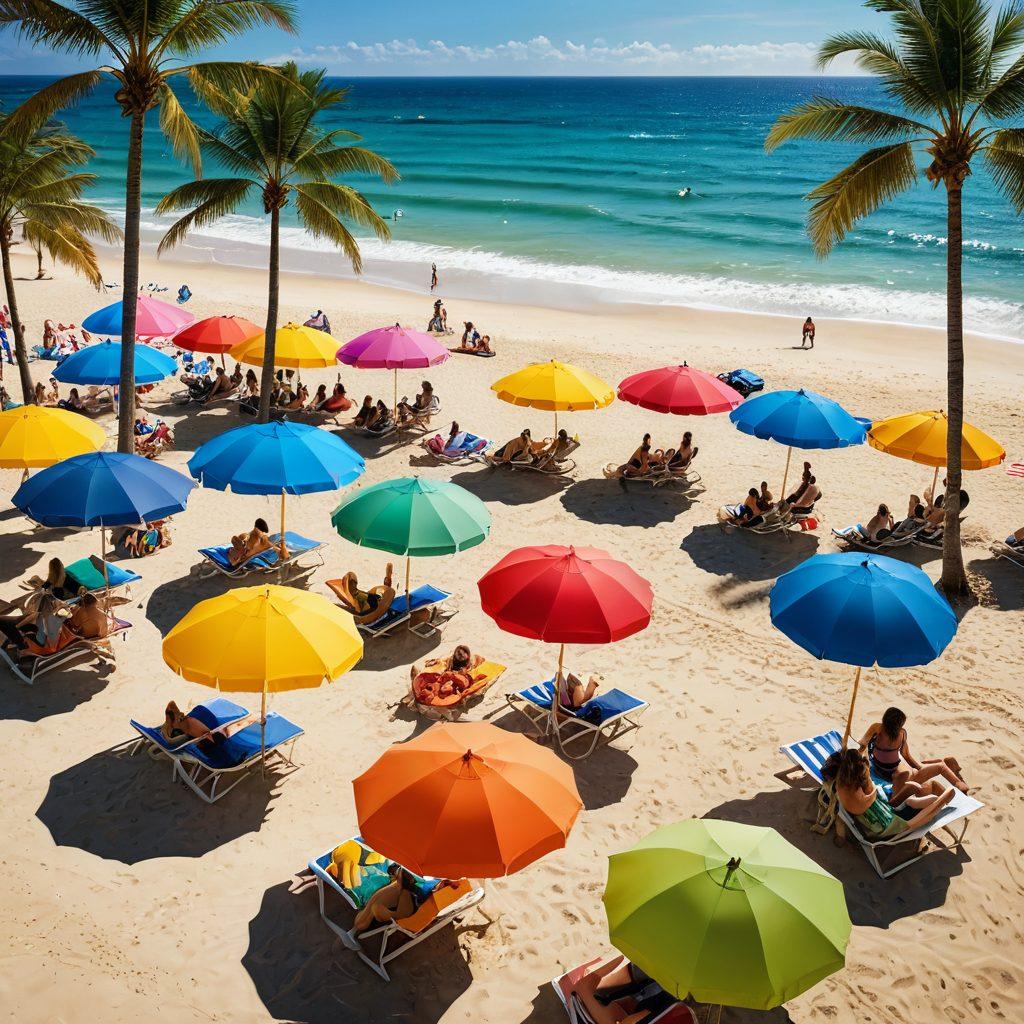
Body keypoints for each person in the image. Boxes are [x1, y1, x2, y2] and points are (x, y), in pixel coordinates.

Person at [822, 748, 954, 840]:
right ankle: (942, 798)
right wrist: (873, 790)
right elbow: (870, 798)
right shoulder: (859, 793)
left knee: (909, 801)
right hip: (885, 828)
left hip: (884, 813)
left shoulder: (841, 786)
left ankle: (924, 800)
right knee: (921, 810)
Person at [858, 707, 968, 796]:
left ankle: (953, 781)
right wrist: (919, 768)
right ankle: (958, 783)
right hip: (893, 769)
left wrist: (856, 754)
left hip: (882, 767)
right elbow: (906, 755)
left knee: (918, 770)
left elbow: (862, 744)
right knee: (940, 767)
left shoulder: (878, 728)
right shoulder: (899, 732)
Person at [410, 644, 485, 702]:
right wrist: (435, 662)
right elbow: (443, 662)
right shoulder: (451, 660)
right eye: (458, 653)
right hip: (448, 675)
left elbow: (469, 675)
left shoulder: (470, 663)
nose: (460, 655)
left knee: (446, 688)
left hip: (456, 678)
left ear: (468, 655)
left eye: (463, 654)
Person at [161, 700, 252, 745]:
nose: (184, 714)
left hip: (207, 736)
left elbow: (171, 704)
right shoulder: (190, 724)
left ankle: (172, 723)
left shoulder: (189, 725)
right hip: (214, 737)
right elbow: (238, 725)